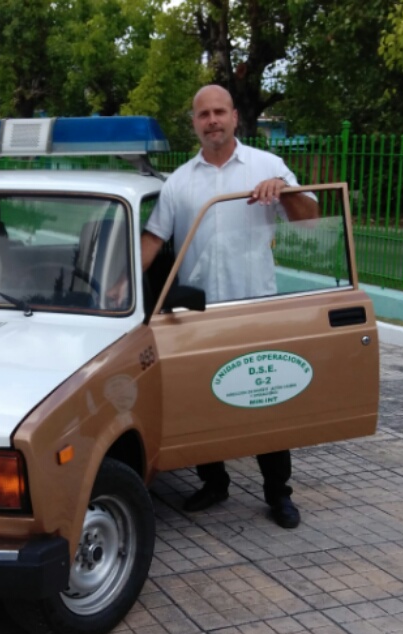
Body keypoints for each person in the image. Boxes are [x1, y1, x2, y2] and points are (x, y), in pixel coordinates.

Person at [141, 84, 320, 529]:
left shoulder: (268, 166)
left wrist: (285, 191)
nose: (212, 121)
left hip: (255, 309)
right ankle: (214, 482)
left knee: (267, 399)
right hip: (198, 314)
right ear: (194, 123)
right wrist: (116, 286)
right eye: (204, 114)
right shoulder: (179, 182)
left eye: (219, 112)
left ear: (235, 117)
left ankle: (278, 493)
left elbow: (311, 220)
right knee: (203, 400)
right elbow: (153, 240)